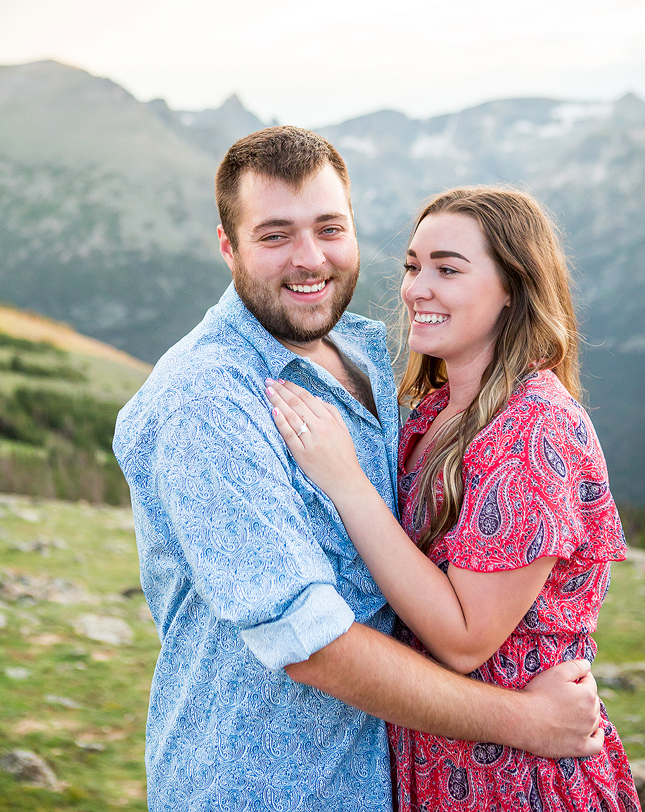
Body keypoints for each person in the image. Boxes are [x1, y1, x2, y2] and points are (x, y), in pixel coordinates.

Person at [114, 130, 603, 812]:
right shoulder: (206, 401)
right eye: (275, 234)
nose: (309, 258)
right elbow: (308, 641)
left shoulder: (370, 357)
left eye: (329, 228)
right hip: (267, 789)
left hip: (399, 778)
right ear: (228, 248)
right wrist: (526, 721)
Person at [264, 184, 640, 812]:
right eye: (413, 266)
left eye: (448, 269)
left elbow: (466, 639)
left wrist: (346, 480)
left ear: (514, 290)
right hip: (441, 765)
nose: (416, 289)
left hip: (518, 779)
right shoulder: (434, 415)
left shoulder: (531, 429)